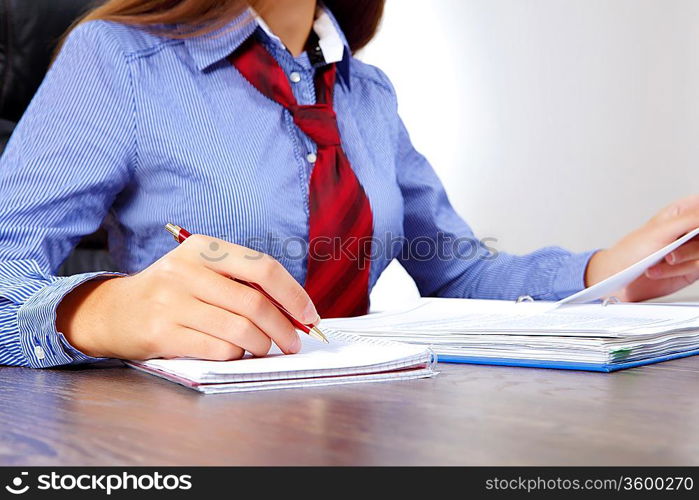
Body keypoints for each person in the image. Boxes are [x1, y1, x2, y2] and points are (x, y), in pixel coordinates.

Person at [1, 0, 699, 368]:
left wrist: (613, 271)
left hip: (361, 418)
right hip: (187, 434)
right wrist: (97, 313)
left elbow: (455, 271)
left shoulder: (366, 93)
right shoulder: (121, 59)